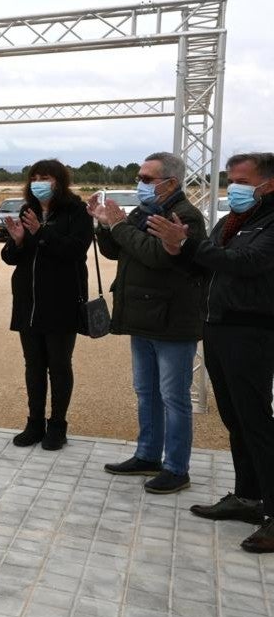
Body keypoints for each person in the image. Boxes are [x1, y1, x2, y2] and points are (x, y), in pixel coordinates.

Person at [147, 152, 274, 553]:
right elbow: (207, 265)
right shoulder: (232, 221)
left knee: (256, 420)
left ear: (267, 183)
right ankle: (248, 497)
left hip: (252, 330)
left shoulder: (270, 223)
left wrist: (187, 244)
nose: (232, 186)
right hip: (219, 327)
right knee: (235, 417)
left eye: (241, 179)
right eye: (230, 178)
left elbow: (247, 263)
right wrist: (178, 250)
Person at [90, 152, 205, 494]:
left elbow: (157, 256)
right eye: (138, 177)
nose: (138, 184)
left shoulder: (185, 216)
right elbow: (117, 251)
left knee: (174, 397)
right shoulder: (145, 211)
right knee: (146, 392)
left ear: (170, 183)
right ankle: (148, 454)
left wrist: (121, 225)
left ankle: (176, 468)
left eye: (145, 179)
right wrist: (104, 223)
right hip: (142, 317)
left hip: (172, 322)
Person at [0, 159, 92, 451]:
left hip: (61, 300)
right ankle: (34, 423)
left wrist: (41, 232)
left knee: (59, 365)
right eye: (35, 176)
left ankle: (58, 425)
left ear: (59, 181)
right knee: (34, 365)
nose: (39, 181)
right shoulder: (27, 209)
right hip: (28, 301)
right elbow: (11, 257)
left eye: (46, 177)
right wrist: (16, 242)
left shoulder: (77, 211)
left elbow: (75, 250)